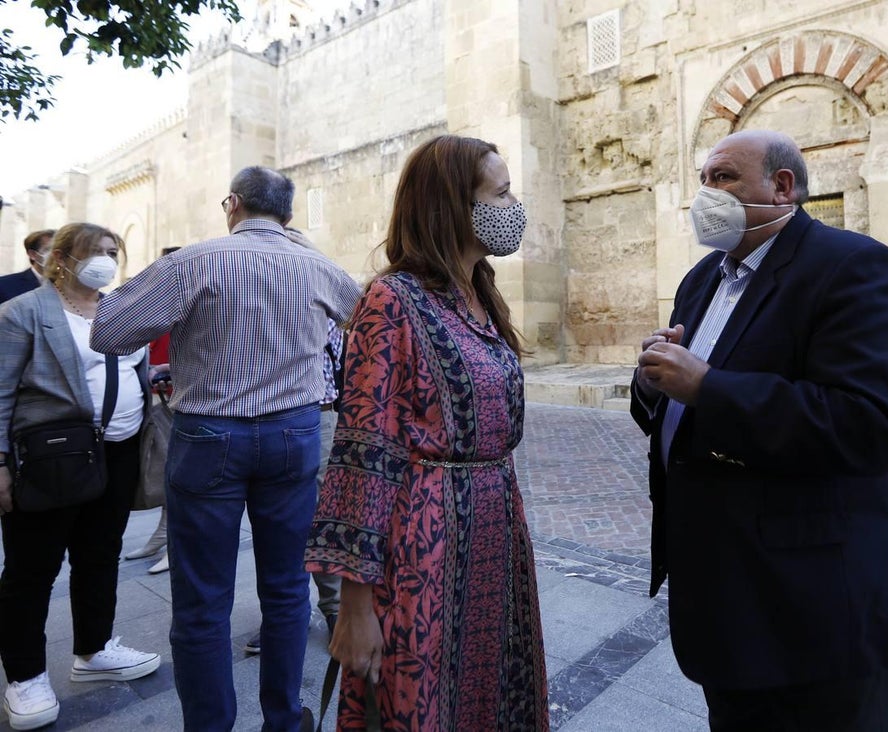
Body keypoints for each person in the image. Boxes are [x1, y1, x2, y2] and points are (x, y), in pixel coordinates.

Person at [631, 130, 888, 730]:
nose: (706, 193)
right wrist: (654, 381)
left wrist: (707, 386)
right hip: (726, 596)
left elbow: (870, 424)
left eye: (724, 178)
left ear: (781, 186)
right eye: (704, 180)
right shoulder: (702, 279)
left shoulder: (852, 266)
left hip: (814, 607)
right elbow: (678, 407)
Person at [90, 166, 361, 731]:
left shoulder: (194, 260)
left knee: (202, 601)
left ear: (232, 203)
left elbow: (108, 331)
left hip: (209, 436)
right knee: (287, 591)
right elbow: (369, 330)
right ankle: (285, 720)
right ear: (286, 214)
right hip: (293, 433)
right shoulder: (321, 268)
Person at [304, 135, 549, 730]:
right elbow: (363, 451)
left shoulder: (479, 296)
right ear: (452, 207)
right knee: (424, 697)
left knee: (491, 689)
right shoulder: (392, 299)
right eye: (502, 192)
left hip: (494, 529)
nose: (513, 206)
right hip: (424, 545)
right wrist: (354, 606)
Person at [0, 223, 160, 731]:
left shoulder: (121, 311)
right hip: (51, 458)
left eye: (114, 252)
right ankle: (24, 677)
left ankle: (94, 650)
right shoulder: (22, 313)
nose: (107, 261)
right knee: (32, 569)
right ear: (64, 258)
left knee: (100, 554)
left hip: (117, 453)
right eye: (97, 252)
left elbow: (132, 371)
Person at [244, 229, 343, 656]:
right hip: (258, 426)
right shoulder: (248, 296)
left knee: (322, 520)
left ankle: (336, 610)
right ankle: (286, 616)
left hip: (315, 420)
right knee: (277, 528)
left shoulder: (323, 299)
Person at [123, 246, 182, 577]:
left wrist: (168, 368)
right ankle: (162, 535)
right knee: (163, 470)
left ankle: (172, 541)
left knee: (175, 474)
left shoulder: (189, 303)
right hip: (157, 398)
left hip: (178, 400)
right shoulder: (159, 305)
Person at [0, 230, 55, 305]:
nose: (56, 255)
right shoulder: (5, 285)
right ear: (32, 254)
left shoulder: (69, 285)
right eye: (48, 249)